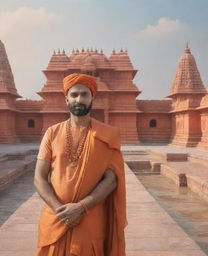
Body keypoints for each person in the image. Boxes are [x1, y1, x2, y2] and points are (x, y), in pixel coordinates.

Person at [34, 73, 127, 256]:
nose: (79, 99)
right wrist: (60, 210)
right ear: (66, 99)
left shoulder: (107, 135)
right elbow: (39, 178)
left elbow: (111, 180)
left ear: (93, 98)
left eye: (85, 94)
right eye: (74, 94)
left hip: (90, 216)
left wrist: (81, 207)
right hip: (55, 217)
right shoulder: (52, 133)